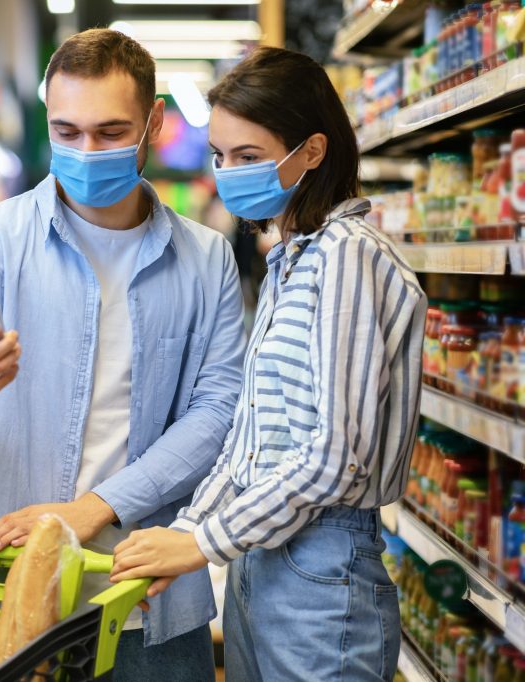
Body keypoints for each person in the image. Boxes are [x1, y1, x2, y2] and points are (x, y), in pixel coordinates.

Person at [0, 28, 245, 681]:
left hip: (150, 602)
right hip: (1, 598)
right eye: (67, 133)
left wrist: (91, 509)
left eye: (111, 133)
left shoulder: (206, 261)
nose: (86, 152)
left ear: (153, 124)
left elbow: (216, 419)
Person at [110, 46, 427, 681]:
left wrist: (198, 542)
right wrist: (188, 536)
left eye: (249, 157)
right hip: (259, 561)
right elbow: (252, 443)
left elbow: (337, 457)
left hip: (323, 573)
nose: (228, 174)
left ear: (312, 151)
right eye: (221, 156)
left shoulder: (347, 258)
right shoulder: (293, 259)